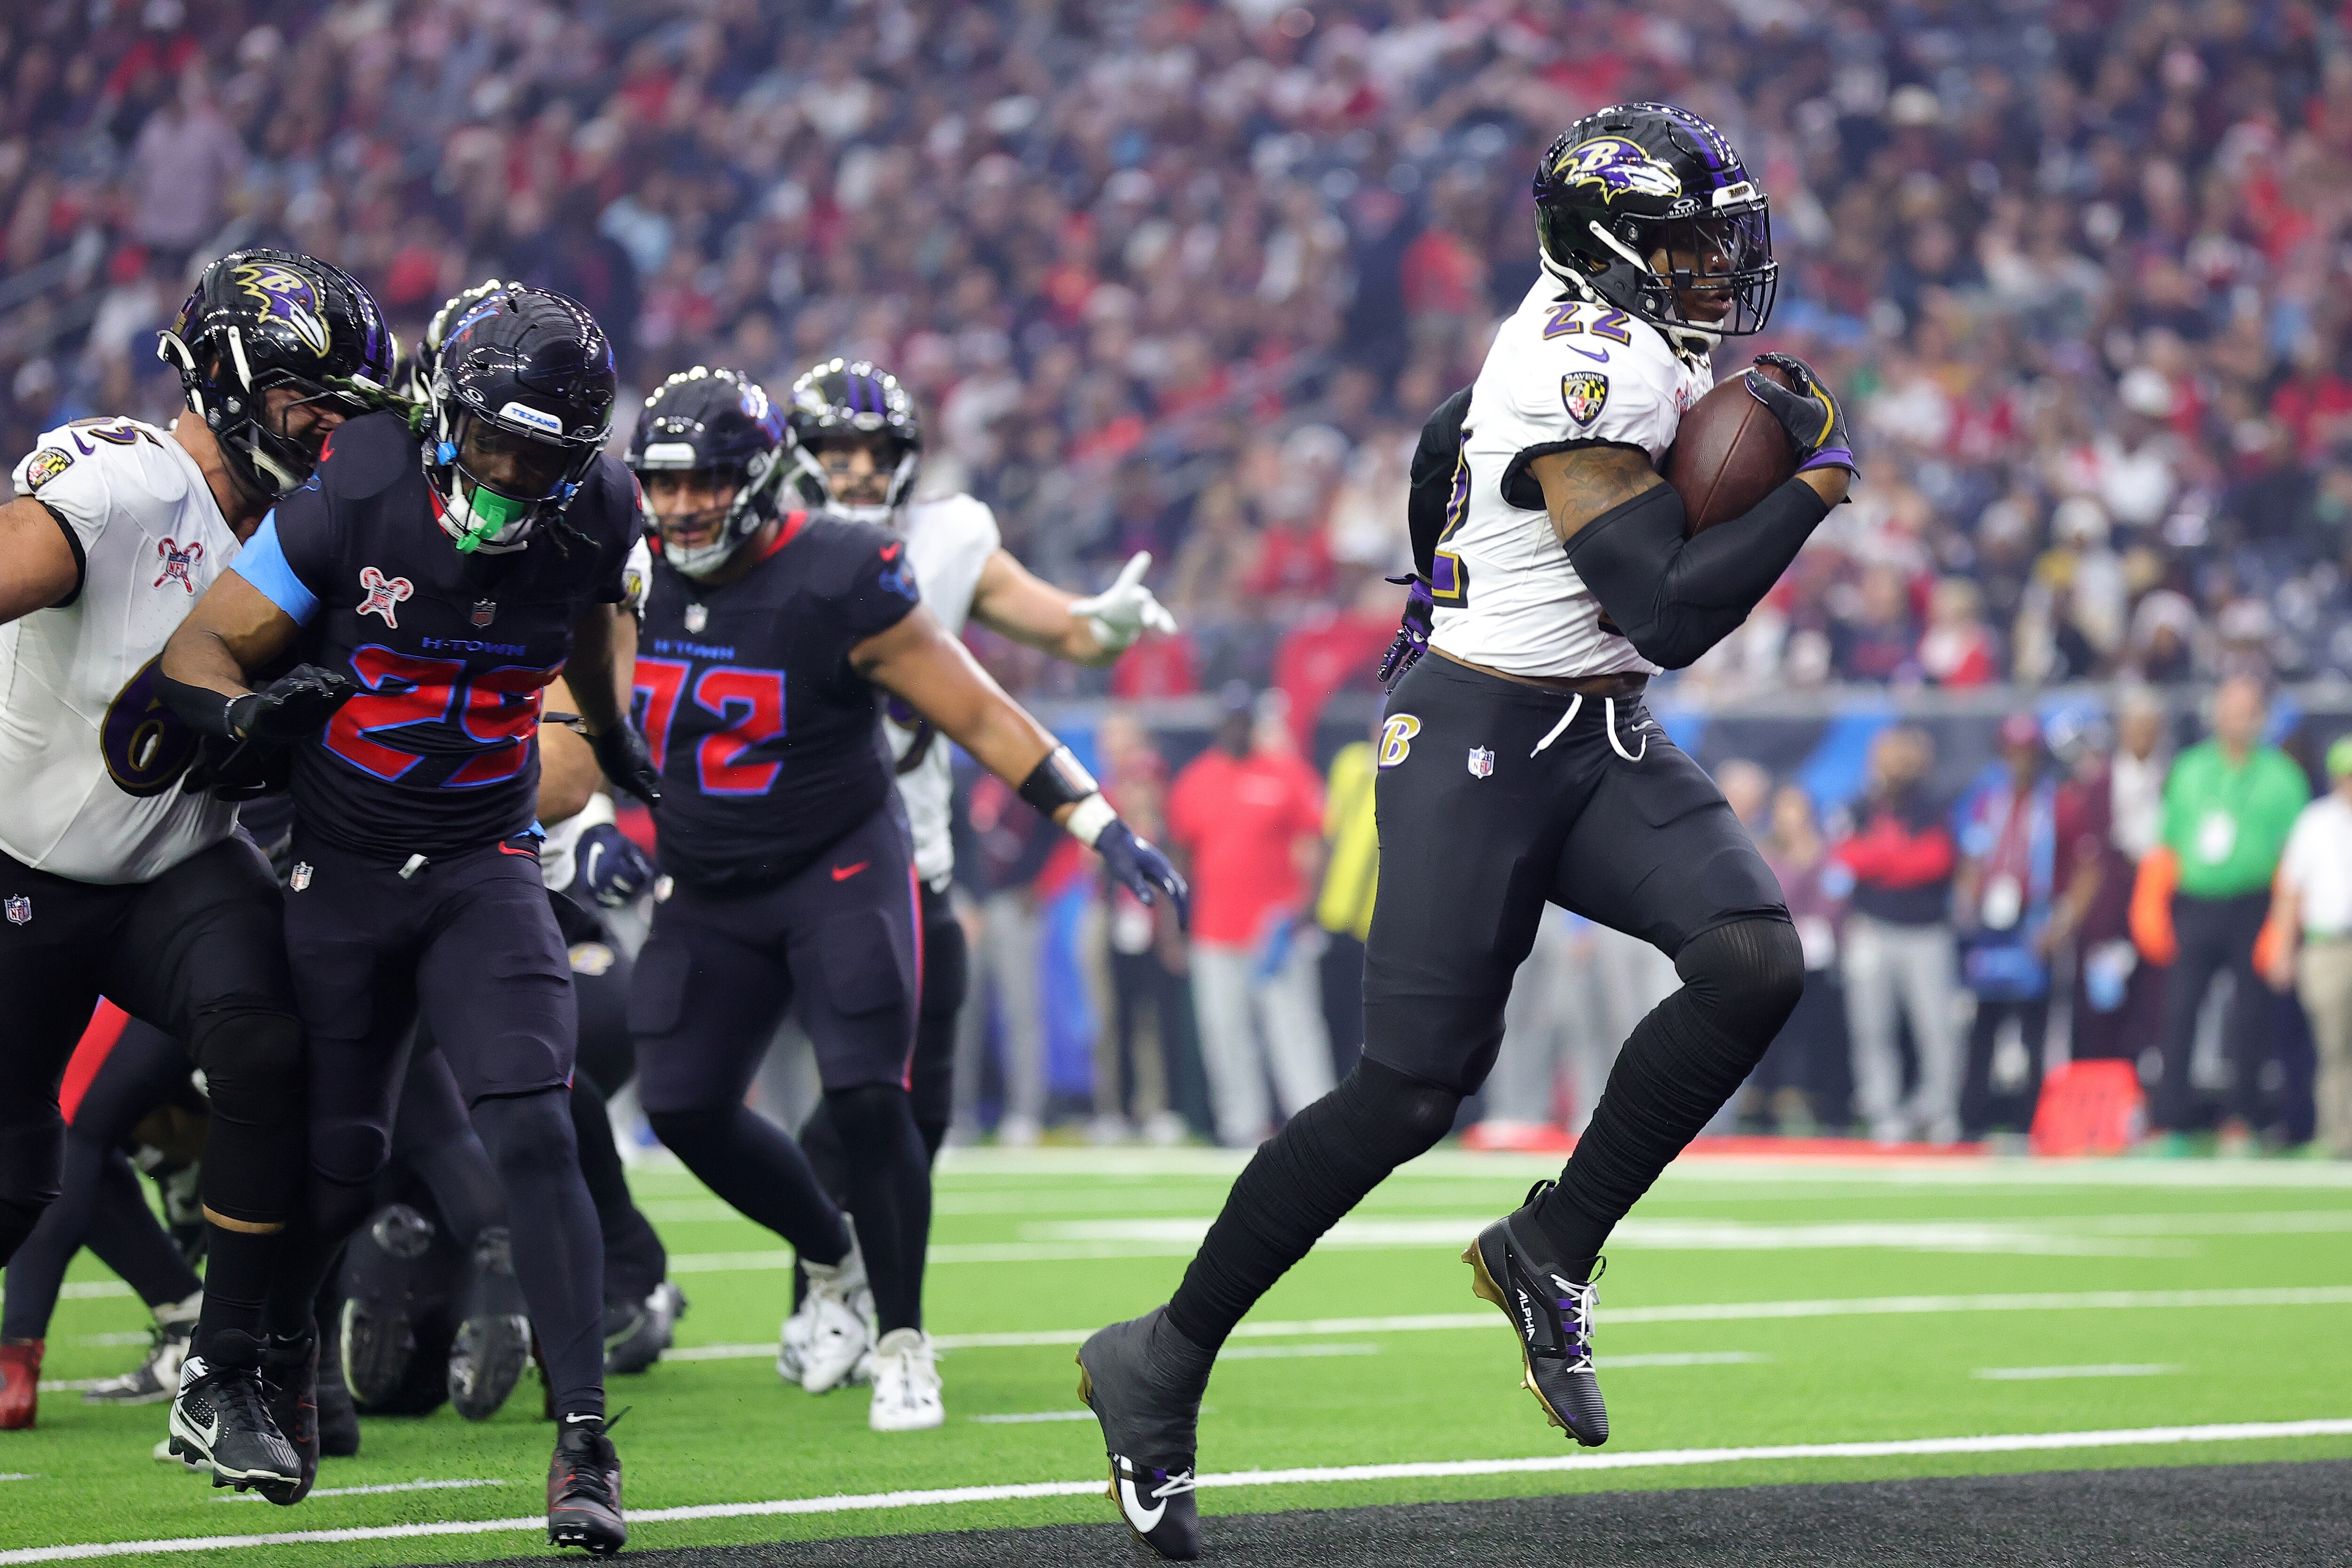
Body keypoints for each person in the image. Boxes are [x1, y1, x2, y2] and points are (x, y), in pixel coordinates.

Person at [1076, 102, 1854, 1560]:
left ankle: (1549, 1245)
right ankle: (1159, 1356)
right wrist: (1813, 487)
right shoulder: (1579, 362)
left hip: (1591, 730)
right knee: (1406, 1093)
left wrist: (1439, 568)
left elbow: (1450, 434)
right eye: (1684, 241)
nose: (1711, 267)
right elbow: (1666, 607)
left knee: (1752, 957)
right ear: (1607, 245)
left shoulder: (1598, 340)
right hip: (1484, 735)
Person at [159, 283, 645, 1551]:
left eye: (542, 456)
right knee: (336, 1162)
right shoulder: (352, 490)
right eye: (494, 441)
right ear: (440, 413)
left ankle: (584, 1437)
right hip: (344, 869)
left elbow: (589, 618)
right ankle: (286, 1362)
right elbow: (202, 651)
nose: (511, 473)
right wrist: (249, 717)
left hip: (486, 854)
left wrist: (612, 723)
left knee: (535, 1120)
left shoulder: (598, 507)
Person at [618, 365, 1185, 1433]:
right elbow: (569, 704)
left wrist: (1099, 820)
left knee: (876, 1098)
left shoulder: (846, 564)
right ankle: (832, 1265)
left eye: (707, 482)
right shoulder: (628, 562)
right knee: (682, 1101)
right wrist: (580, 826)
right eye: (666, 483)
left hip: (844, 861)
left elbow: (979, 708)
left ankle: (902, 1340)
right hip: (712, 875)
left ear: (752, 480)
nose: (685, 504)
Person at [1, 247, 391, 1497]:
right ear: (229, 379)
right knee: (15, 1188)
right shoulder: (119, 481)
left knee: (270, 1040)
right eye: (307, 396)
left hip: (176, 863)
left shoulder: (315, 527)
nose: (330, 425)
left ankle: (224, 1375)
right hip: (25, 867)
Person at [775, 354, 1174, 1167]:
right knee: (749, 1092)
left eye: (875, 453)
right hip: (777, 846)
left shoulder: (947, 536)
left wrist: (1107, 622)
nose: (859, 473)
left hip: (903, 850)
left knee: (901, 1106)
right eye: (837, 452)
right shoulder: (755, 542)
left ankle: (852, 1275)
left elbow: (1064, 633)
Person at [1166, 687, 1334, 1148]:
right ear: (1218, 725)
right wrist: (1175, 925)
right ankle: (1240, 1125)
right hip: (1214, 929)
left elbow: (1317, 842)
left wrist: (1306, 908)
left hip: (1273, 928)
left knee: (1294, 1030)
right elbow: (1179, 858)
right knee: (1224, 1031)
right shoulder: (1196, 780)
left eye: (1243, 720)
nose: (1236, 728)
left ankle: (1312, 1127)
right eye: (1229, 720)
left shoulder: (1286, 773)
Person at [2148, 675, 2308, 1153]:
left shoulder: (2281, 776)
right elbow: (2167, 845)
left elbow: (2292, 860)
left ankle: (2242, 1120)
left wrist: (2281, 928)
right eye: (2229, 708)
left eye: (2245, 709)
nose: (2236, 718)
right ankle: (2171, 1123)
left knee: (2249, 1017)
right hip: (2196, 901)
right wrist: (2153, 907)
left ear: (2259, 717)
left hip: (2252, 902)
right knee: (2178, 1013)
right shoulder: (2190, 770)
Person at [1835, 727, 1963, 1144]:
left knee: (1936, 1028)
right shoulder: (1859, 806)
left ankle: (1939, 1110)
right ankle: (1882, 1111)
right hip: (1871, 930)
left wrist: (1883, 859)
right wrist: (1895, 858)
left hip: (1926, 932)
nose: (1897, 768)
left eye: (1905, 759)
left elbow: (1935, 861)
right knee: (1872, 1029)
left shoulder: (1933, 805)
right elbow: (1845, 858)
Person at [1952, 715, 2076, 1140]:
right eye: (2013, 749)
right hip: (1992, 923)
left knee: (2034, 1028)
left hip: (2034, 921)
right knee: (1984, 1023)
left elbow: (2080, 863)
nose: (2020, 759)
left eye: (2027, 751)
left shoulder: (2056, 801)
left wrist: (2060, 922)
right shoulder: (1988, 799)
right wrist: (1969, 903)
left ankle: (2029, 1118)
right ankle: (1972, 1118)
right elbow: (1972, 854)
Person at [2268, 736, 2352, 1156]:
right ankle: (2338, 1137)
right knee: (2332, 1046)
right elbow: (2290, 891)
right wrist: (2283, 947)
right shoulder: (2315, 822)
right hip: (2327, 945)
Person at [1749, 784, 1850, 1133]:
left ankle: (1818, 1103)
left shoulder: (1826, 857)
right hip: (1775, 961)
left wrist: (1821, 925)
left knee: (1816, 1033)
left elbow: (1836, 899)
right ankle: (1765, 1104)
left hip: (1816, 965)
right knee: (1773, 1035)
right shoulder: (1766, 855)